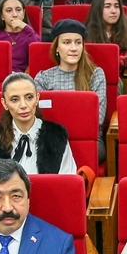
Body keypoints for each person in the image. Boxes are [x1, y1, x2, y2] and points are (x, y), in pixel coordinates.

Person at [0, 73, 77, 177]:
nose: (23, 105)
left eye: (29, 97)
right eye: (14, 100)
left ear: (37, 98)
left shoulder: (56, 135)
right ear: (5, 103)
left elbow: (68, 182)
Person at [32, 20, 107, 159]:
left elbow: (98, 117)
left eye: (78, 42)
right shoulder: (43, 77)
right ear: (56, 47)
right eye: (67, 42)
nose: (74, 48)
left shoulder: (95, 74)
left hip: (88, 140)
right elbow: (38, 116)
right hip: (51, 139)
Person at [85, 0, 127, 79]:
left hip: (117, 75)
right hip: (91, 76)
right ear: (98, 10)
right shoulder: (87, 33)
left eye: (116, 6)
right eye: (107, 6)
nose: (113, 11)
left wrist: (109, 63)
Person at [0, 0, 40, 74]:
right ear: (2, 16)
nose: (15, 14)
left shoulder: (31, 35)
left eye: (18, 10)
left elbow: (37, 59)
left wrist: (27, 29)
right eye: (9, 11)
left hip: (21, 78)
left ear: (23, 13)